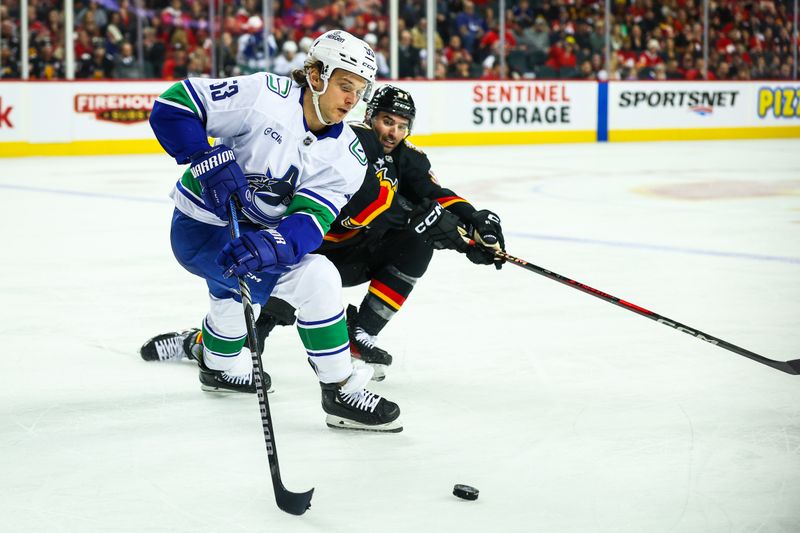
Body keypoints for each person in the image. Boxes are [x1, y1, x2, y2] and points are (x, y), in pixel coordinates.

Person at [142, 85, 505, 385]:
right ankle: (200, 343)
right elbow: (369, 205)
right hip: (299, 242)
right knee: (249, 335)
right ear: (370, 117)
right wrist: (420, 217)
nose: (392, 131)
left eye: (401, 125)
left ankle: (360, 333)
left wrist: (473, 223)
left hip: (336, 247)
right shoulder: (352, 145)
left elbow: (430, 191)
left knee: (416, 243)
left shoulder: (406, 156)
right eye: (386, 120)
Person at [146, 29, 402, 433]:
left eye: (360, 90)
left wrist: (274, 245)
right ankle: (339, 389)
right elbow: (172, 105)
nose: (353, 100)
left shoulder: (349, 156)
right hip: (201, 227)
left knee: (231, 307)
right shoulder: (264, 96)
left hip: (249, 234)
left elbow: (312, 218)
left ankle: (212, 362)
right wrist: (203, 156)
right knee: (317, 278)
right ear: (316, 74)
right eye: (345, 85)